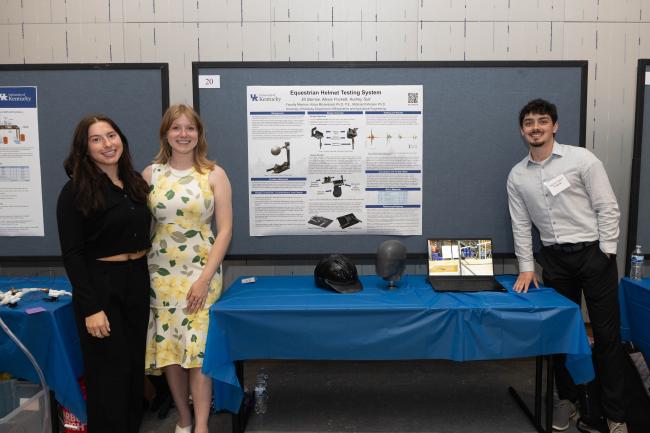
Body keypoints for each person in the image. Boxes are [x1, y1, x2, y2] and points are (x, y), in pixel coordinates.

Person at [507, 99, 628, 433]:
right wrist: (527, 267)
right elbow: (520, 224)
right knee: (561, 333)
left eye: (542, 121)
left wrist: (606, 252)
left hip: (594, 255)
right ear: (522, 131)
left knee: (606, 336)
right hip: (555, 261)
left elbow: (607, 207)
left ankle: (615, 414)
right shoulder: (517, 175)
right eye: (529, 123)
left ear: (555, 126)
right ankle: (569, 400)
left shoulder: (582, 160)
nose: (535, 127)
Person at [56, 115, 152, 433]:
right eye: (96, 139)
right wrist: (91, 308)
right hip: (101, 286)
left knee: (133, 371)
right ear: (84, 148)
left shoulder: (134, 183)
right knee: (109, 376)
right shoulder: (74, 191)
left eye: (111, 135)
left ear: (121, 138)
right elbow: (73, 255)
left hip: (136, 279)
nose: (107, 144)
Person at [143, 104, 232, 433]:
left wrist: (204, 280)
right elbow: (142, 227)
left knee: (198, 351)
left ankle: (202, 425)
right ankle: (184, 417)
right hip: (161, 275)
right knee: (170, 350)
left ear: (199, 134)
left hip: (201, 272)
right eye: (176, 128)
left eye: (190, 128)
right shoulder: (151, 174)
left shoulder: (214, 174)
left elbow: (225, 231)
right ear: (165, 134)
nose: (183, 134)